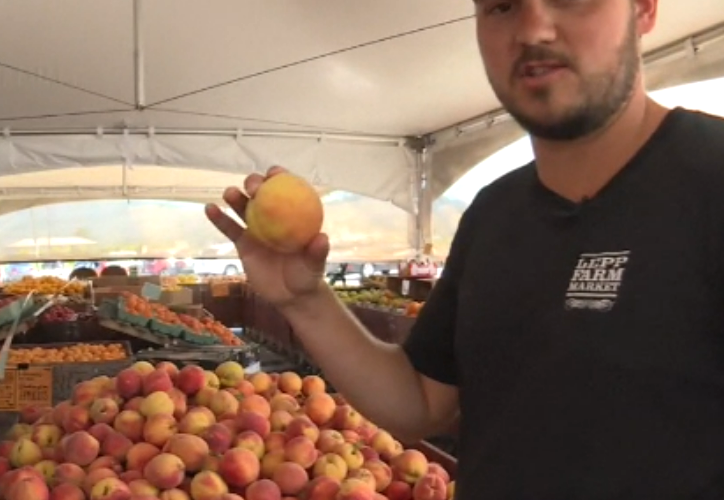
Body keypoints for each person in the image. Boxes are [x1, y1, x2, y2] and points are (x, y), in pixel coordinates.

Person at [206, 1, 724, 498]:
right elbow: (422, 403)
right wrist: (305, 300)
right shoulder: (494, 214)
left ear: (645, 9)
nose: (533, 29)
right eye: (502, 6)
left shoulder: (710, 180)